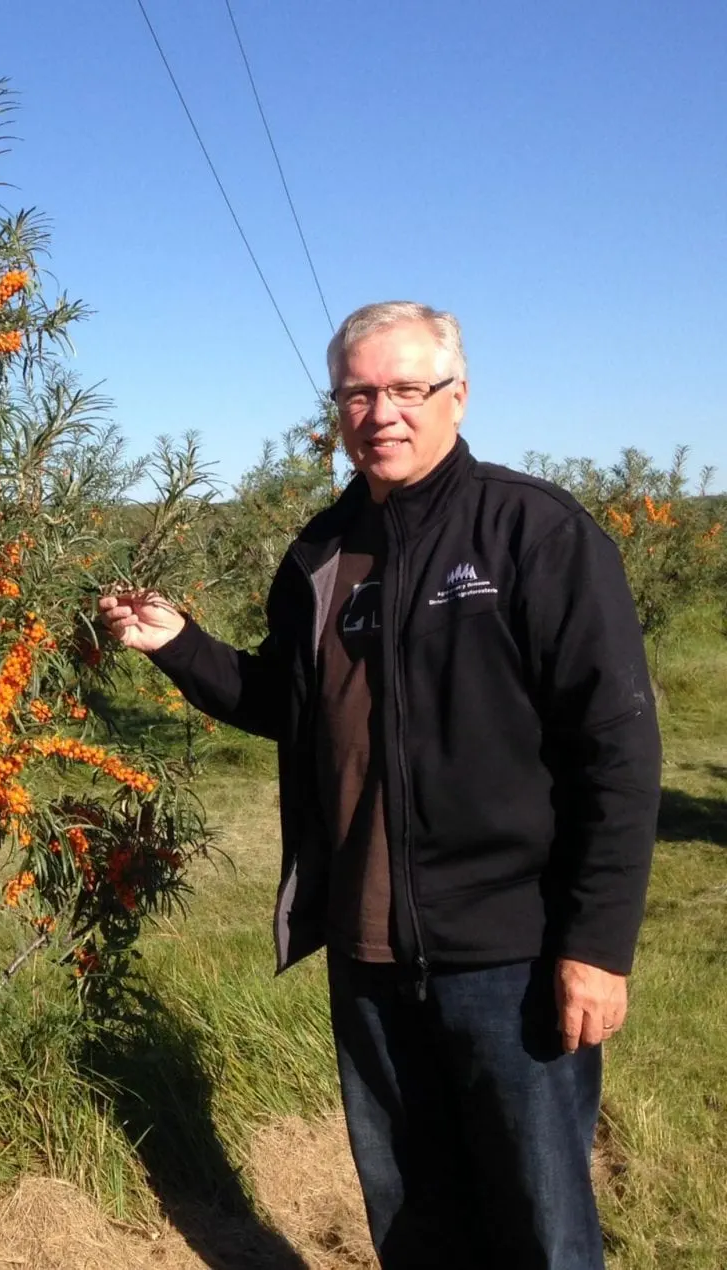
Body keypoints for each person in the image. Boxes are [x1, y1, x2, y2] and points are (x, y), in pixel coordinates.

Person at [98, 301, 660, 1269]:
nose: (381, 413)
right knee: (410, 1216)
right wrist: (178, 644)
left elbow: (616, 747)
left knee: (538, 1220)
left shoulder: (534, 532)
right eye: (358, 393)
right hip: (368, 954)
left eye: (406, 389)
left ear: (457, 395)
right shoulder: (321, 554)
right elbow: (290, 701)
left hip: (511, 953)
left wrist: (596, 945)